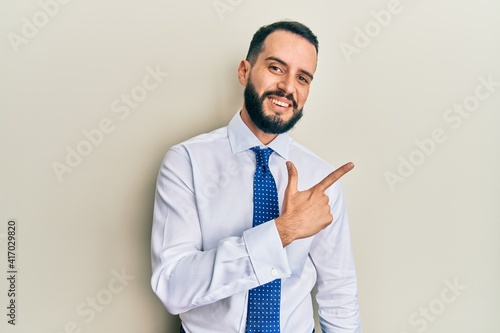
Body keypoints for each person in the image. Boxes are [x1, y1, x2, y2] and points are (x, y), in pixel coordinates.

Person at [151, 20, 361, 333]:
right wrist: (282, 232)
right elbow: (173, 287)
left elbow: (339, 292)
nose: (288, 87)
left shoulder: (320, 178)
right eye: (276, 68)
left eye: (302, 78)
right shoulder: (186, 162)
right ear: (244, 72)